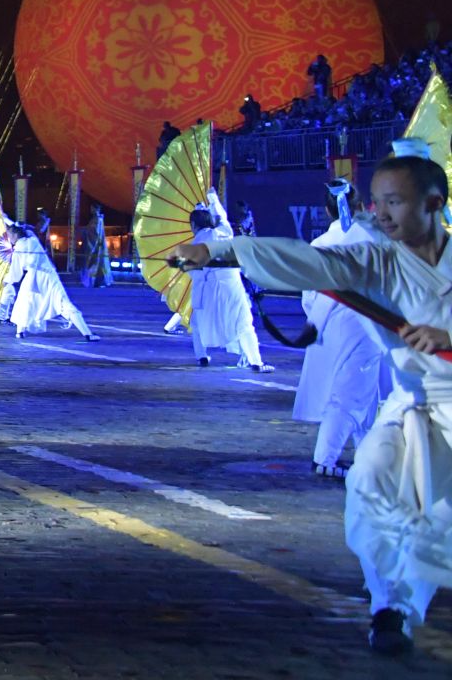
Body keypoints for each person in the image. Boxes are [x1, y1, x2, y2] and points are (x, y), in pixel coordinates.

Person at [178, 146, 450, 655]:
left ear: (435, 203)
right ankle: (389, 607)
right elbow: (309, 262)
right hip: (409, 407)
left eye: (394, 201)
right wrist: (220, 251)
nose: (380, 213)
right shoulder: (375, 259)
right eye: (376, 202)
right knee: (370, 483)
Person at [186, 191, 271, 373]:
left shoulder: (194, 246)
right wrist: (213, 199)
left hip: (210, 288)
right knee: (243, 323)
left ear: (193, 225)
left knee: (197, 322)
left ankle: (201, 357)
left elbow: (195, 275)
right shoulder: (225, 231)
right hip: (232, 285)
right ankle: (256, 361)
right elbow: (221, 216)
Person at [7, 222, 97, 341]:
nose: (8, 238)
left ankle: (20, 332)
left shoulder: (18, 250)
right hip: (48, 276)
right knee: (63, 303)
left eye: (9, 235)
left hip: (33, 278)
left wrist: (6, 281)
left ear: (15, 235)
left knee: (26, 302)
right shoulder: (32, 239)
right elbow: (22, 229)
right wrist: (6, 220)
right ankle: (87, 334)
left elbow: (16, 274)